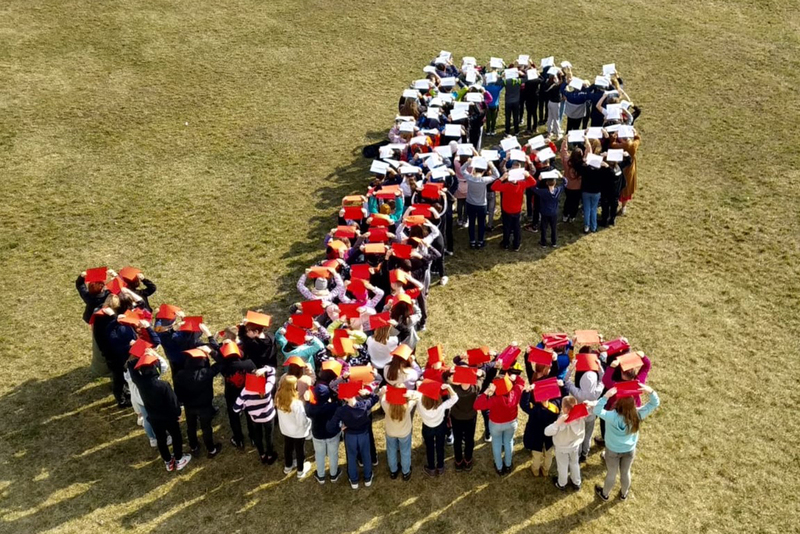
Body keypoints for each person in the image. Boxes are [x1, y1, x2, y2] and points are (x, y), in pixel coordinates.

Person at [594, 384, 660, 501]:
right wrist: (651, 391)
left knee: (611, 474)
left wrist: (606, 396)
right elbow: (655, 403)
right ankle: (624, 494)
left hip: (612, 450)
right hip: (629, 450)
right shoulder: (638, 414)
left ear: (618, 404)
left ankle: (605, 494)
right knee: (625, 473)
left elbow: (597, 410)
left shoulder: (611, 416)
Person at [130, 350, 191, 471]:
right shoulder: (163, 385)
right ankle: (179, 459)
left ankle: (168, 461)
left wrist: (138, 356)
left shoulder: (140, 382)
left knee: (161, 439)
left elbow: (132, 370)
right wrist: (178, 413)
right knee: (176, 437)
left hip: (154, 418)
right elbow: (173, 402)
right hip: (169, 418)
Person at [173, 346, 223, 458]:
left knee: (191, 427)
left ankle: (194, 446)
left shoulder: (179, 375)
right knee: (206, 428)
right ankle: (211, 449)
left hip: (189, 405)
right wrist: (211, 352)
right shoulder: (206, 372)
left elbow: (178, 392)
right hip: (204, 405)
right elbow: (222, 362)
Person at [327, 387, 379, 490]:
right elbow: (376, 398)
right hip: (364, 435)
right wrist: (368, 393)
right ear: (355, 395)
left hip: (350, 436)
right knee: (366, 455)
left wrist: (339, 428)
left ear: (345, 398)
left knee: (351, 457)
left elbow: (330, 426)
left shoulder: (341, 410)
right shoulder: (364, 405)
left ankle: (354, 480)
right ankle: (368, 478)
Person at [473, 373, 525, 475]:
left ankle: (499, 467)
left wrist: (486, 392)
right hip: (511, 423)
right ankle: (508, 464)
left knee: (496, 444)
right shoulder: (515, 392)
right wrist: (514, 378)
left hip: (495, 424)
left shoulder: (493, 399)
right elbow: (521, 382)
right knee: (508, 442)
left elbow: (476, 405)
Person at [305, 362, 343, 484]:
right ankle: (333, 474)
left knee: (319, 455)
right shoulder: (334, 406)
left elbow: (308, 410)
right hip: (332, 433)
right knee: (333, 454)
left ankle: (320, 476)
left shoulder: (311, 407)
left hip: (318, 434)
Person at [232, 368, 278, 465]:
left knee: (258, 436)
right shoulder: (267, 387)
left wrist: (245, 406)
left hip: (255, 418)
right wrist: (265, 369)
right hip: (268, 417)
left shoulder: (245, 391)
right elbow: (273, 372)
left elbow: (236, 408)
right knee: (268, 436)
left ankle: (262, 455)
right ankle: (270, 455)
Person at [565, 352, 604, 461]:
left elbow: (566, 381)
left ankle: (577, 455)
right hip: (591, 417)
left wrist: (571, 368)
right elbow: (603, 380)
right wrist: (600, 367)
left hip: (579, 417)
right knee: (588, 436)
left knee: (578, 436)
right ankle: (585, 453)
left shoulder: (578, 392)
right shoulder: (596, 392)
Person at [416, 381, 459, 476]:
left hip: (427, 428)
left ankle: (431, 468)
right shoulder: (442, 406)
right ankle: (440, 467)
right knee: (440, 447)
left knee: (429, 448)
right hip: (440, 427)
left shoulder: (420, 404)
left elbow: (417, 395)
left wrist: (419, 386)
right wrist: (448, 387)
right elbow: (455, 398)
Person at [275, 375, 313, 479]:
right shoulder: (297, 404)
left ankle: (288, 466)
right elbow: (301, 422)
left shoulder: (278, 398)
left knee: (288, 447)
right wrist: (309, 422)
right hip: (298, 432)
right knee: (300, 450)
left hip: (286, 430)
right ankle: (300, 471)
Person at [491, 165, 536, 251]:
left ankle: (506, 244)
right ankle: (516, 245)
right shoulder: (521, 184)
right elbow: (533, 182)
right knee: (517, 228)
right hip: (517, 210)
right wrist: (528, 175)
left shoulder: (506, 186)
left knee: (507, 228)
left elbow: (493, 187)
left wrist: (501, 178)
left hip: (507, 210)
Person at [545, 396, 585, 490]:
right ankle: (576, 482)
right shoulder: (580, 418)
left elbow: (547, 432)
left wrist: (557, 423)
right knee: (574, 463)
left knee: (562, 465)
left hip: (561, 448)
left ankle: (562, 483)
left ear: (565, 409)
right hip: (575, 445)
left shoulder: (561, 422)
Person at [449, 367, 484, 471]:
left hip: (456, 417)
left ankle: (458, 461)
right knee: (469, 440)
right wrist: (480, 372)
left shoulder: (454, 389)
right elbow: (482, 376)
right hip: (470, 418)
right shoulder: (476, 388)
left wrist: (450, 372)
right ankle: (468, 461)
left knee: (458, 440)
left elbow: (444, 378)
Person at [520, 385, 559, 477]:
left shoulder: (534, 409)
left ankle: (535, 470)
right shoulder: (555, 409)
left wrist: (527, 392)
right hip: (549, 437)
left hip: (536, 437)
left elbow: (524, 405)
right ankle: (545, 470)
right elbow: (561, 399)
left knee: (537, 455)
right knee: (548, 455)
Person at [379, 385, 416, 481]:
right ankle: (406, 472)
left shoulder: (385, 404)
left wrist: (385, 392)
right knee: (405, 452)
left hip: (391, 432)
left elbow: (381, 395)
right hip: (404, 433)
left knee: (391, 451)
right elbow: (417, 396)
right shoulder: (408, 405)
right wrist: (408, 394)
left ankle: (393, 471)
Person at [463, 155, 500, 249]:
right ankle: (480, 241)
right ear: (483, 172)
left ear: (474, 170)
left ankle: (472, 241)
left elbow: (462, 170)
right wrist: (491, 165)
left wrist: (468, 163)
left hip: (470, 203)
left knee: (471, 222)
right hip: (481, 205)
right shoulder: (484, 180)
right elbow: (497, 175)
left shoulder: (469, 178)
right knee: (481, 223)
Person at [532, 172, 566, 248]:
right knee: (553, 228)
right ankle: (554, 242)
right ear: (555, 183)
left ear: (547, 183)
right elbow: (565, 183)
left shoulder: (543, 192)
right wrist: (561, 176)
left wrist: (538, 180)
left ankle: (543, 242)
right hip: (554, 213)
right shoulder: (557, 190)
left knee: (544, 228)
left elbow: (533, 188)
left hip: (544, 212)